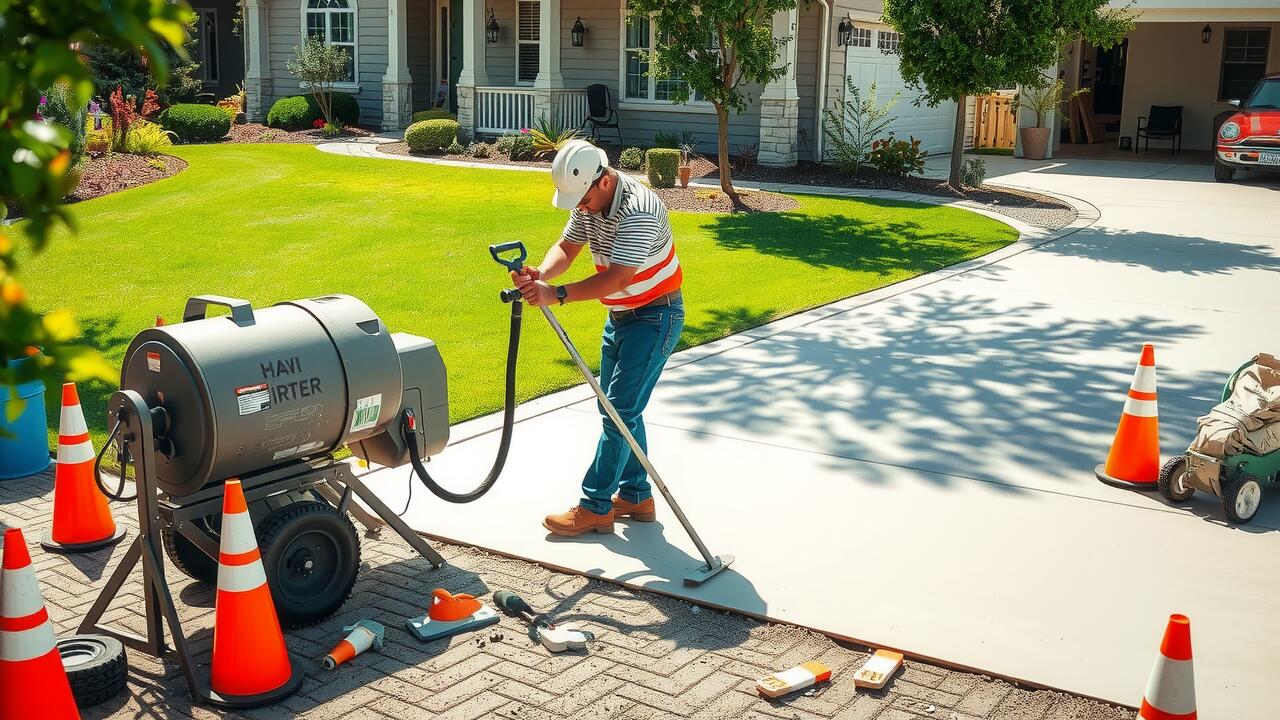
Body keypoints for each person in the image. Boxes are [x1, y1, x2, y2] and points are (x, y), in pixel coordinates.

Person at [512, 140, 684, 537]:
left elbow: (617, 276)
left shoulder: (639, 209)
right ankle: (637, 495)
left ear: (604, 180)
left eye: (584, 199)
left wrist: (557, 295)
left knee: (618, 411)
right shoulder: (588, 203)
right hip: (622, 315)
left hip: (657, 315)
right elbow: (568, 248)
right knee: (622, 409)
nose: (581, 207)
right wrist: (543, 275)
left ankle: (595, 506)